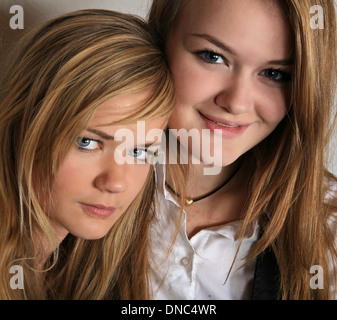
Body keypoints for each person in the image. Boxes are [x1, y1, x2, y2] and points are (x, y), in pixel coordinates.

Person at [148, 0, 337, 300]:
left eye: (274, 74)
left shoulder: (328, 226)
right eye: (212, 56)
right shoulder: (80, 181)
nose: (236, 103)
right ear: (159, 42)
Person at [0, 9, 174, 299]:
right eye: (87, 142)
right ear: (26, 126)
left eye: (140, 151)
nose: (116, 182)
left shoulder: (82, 270)